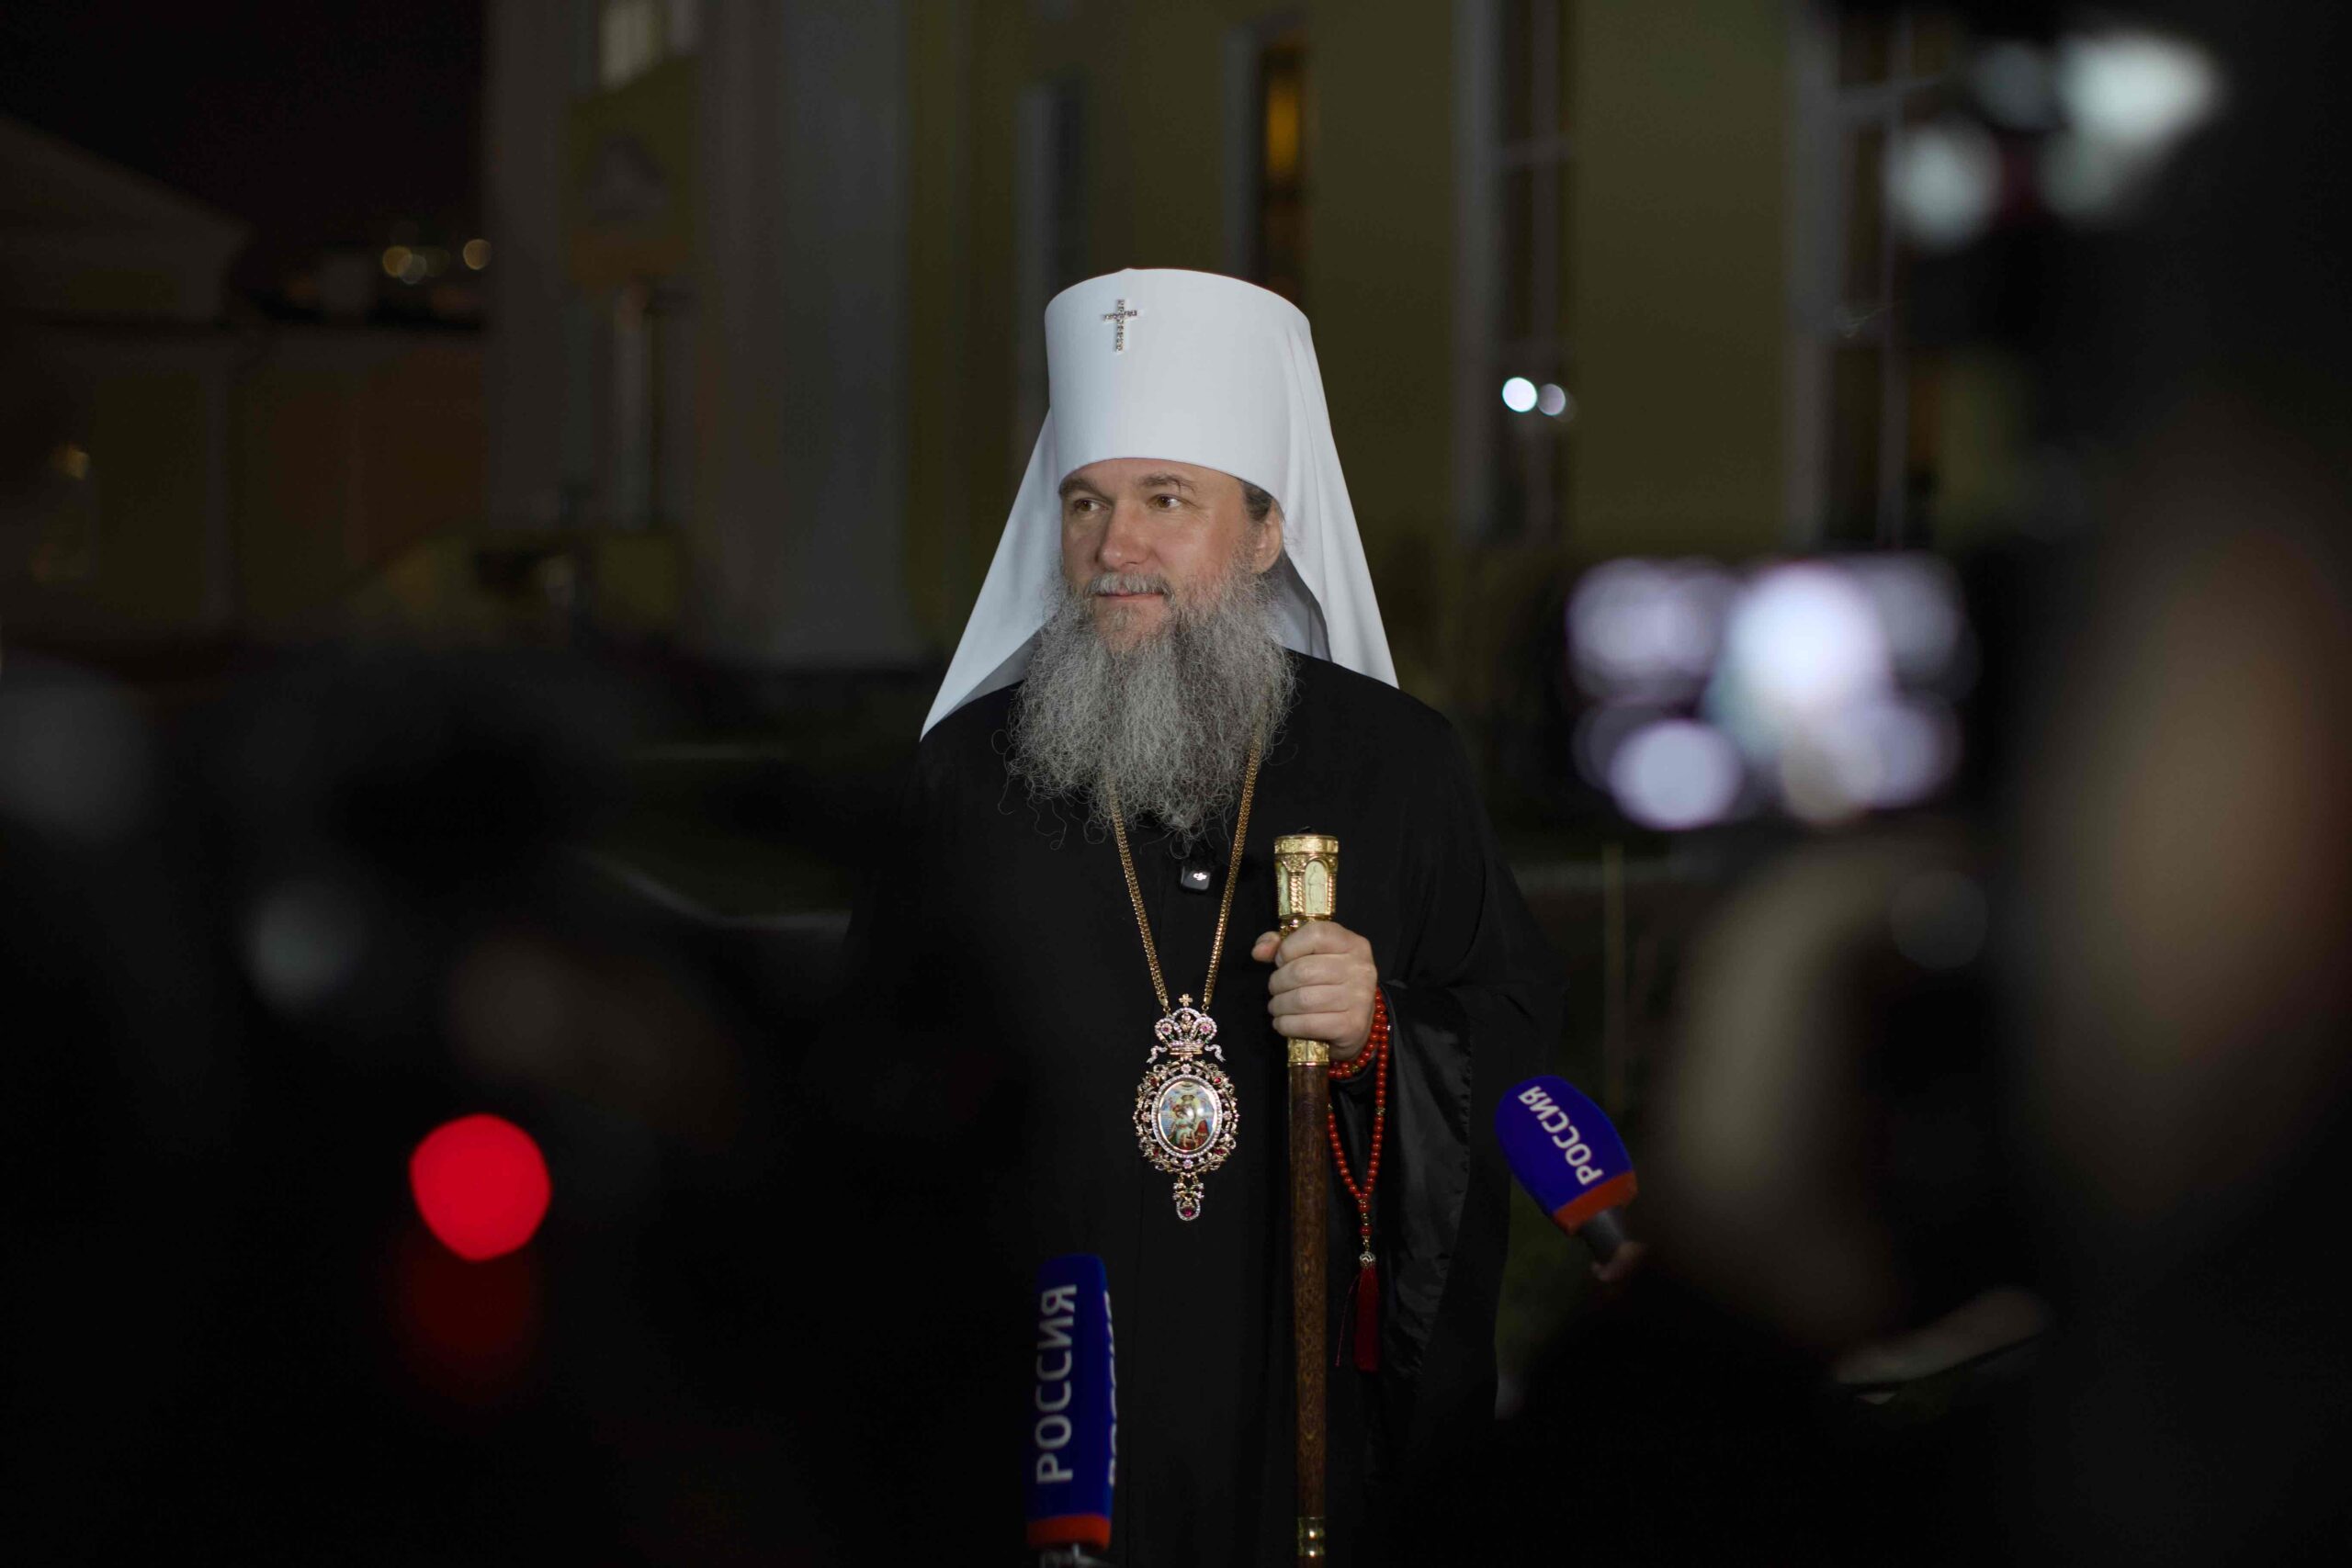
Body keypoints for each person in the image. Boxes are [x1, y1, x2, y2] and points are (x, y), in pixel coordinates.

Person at [835, 269, 1561, 1563]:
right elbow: (865, 1097)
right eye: (1087, 503)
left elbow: (1514, 1041)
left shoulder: (1398, 766)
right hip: (1046, 1400)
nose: (1116, 548)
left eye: (1167, 500)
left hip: (1296, 1397)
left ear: (1267, 532)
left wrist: (1380, 1033)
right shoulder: (966, 775)